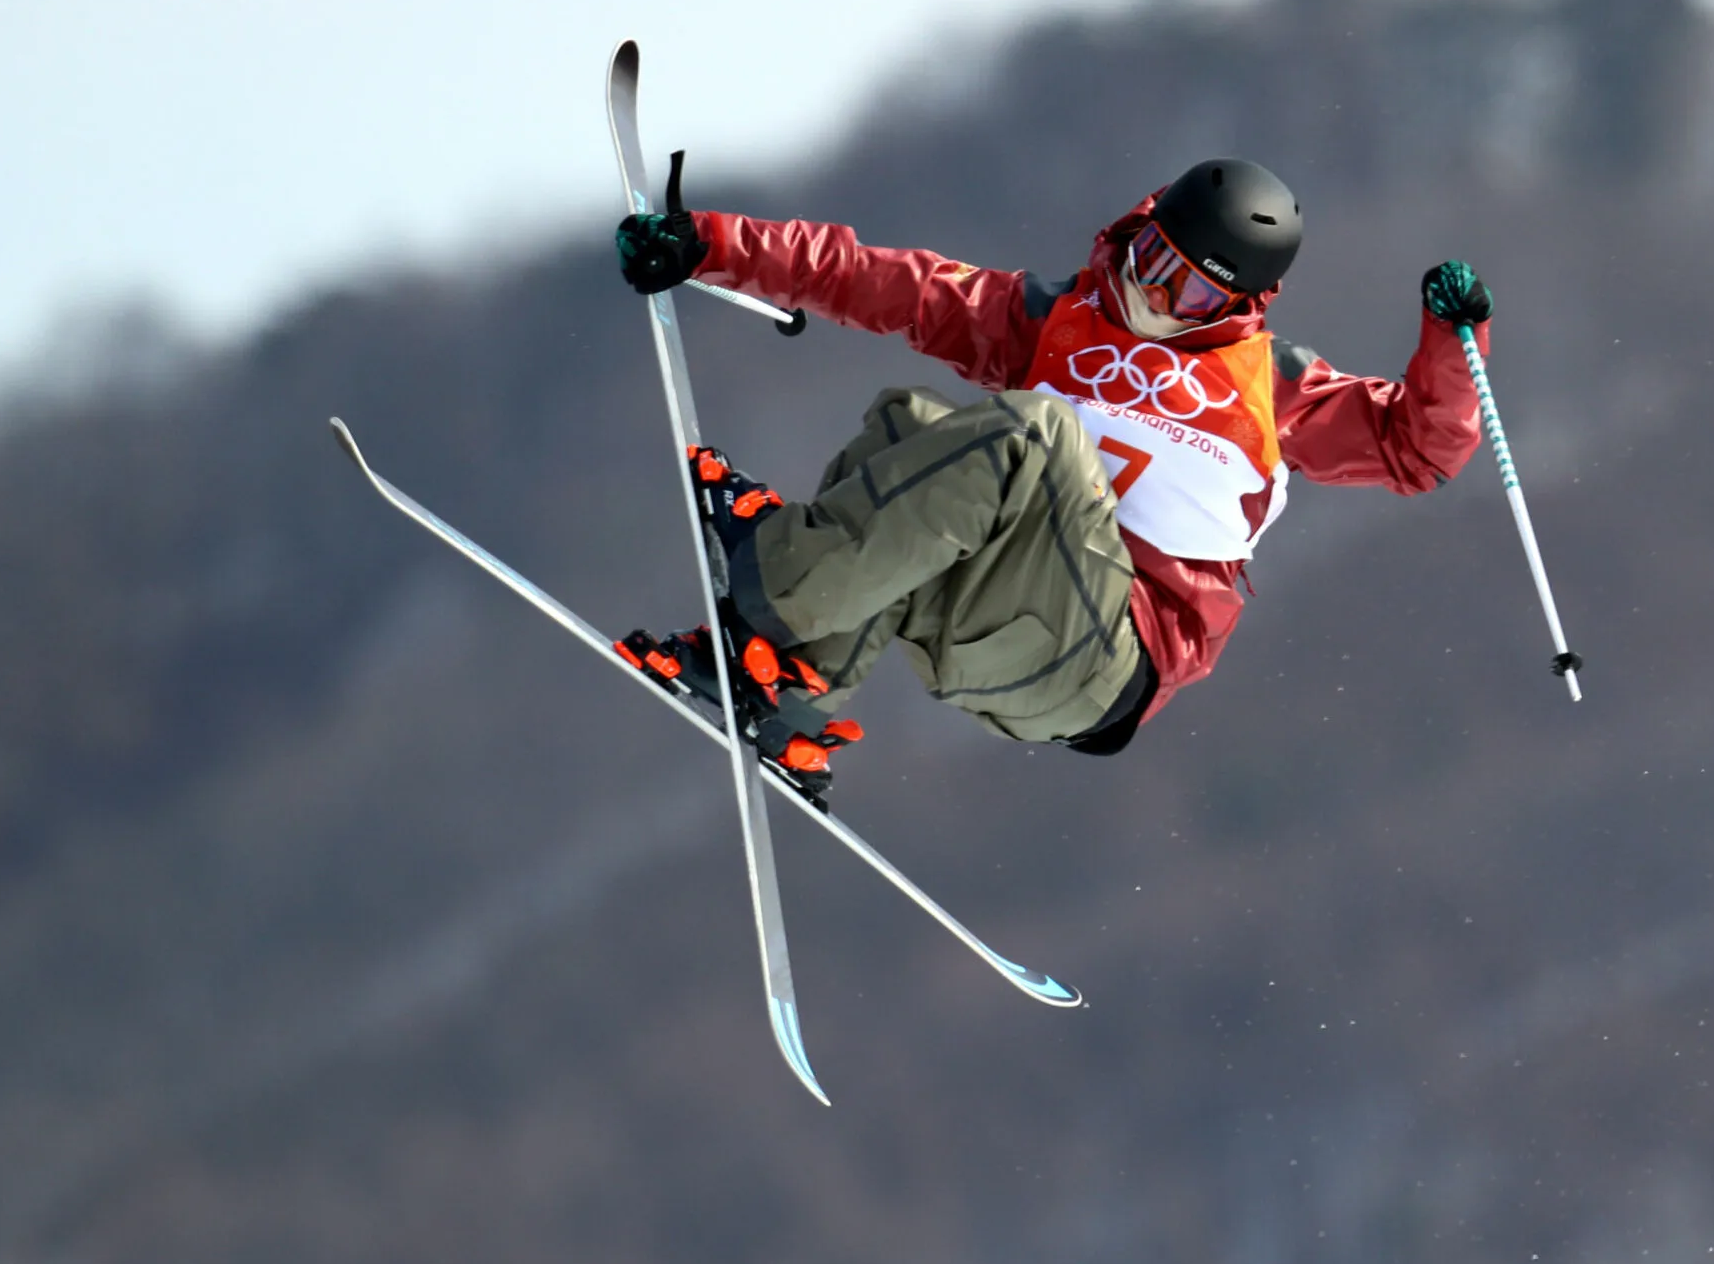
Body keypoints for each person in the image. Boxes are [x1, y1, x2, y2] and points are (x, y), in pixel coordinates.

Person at [611, 158, 1494, 804]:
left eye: (1189, 297)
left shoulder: (1275, 386)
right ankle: (785, 687)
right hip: (994, 629)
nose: (1155, 299)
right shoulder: (1053, 319)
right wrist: (710, 246)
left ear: (1238, 306)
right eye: (1153, 263)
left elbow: (1418, 447)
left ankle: (773, 567)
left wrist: (1453, 340)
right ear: (1139, 230)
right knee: (907, 432)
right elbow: (888, 283)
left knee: (1034, 430)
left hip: (1107, 659)